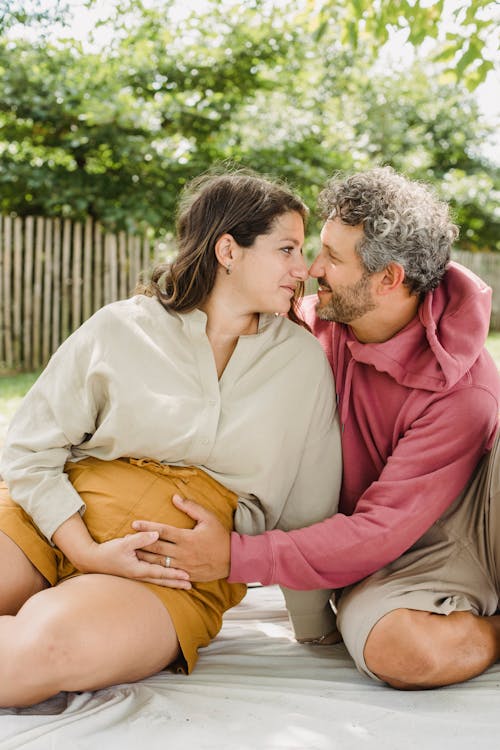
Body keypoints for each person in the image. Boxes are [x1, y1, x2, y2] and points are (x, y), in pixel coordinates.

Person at [135, 166, 500, 690]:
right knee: (401, 651)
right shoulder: (314, 322)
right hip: (371, 544)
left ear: (389, 278)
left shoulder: (462, 389)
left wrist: (236, 557)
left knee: (412, 648)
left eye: (332, 256)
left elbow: (382, 530)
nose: (310, 268)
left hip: (459, 533)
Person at [0, 170, 342, 707]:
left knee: (39, 654)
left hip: (169, 572)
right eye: (287, 249)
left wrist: (313, 624)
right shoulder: (120, 327)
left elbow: (310, 505)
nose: (304, 270)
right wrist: (85, 550)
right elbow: (28, 448)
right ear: (229, 249)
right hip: (48, 521)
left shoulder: (302, 365)